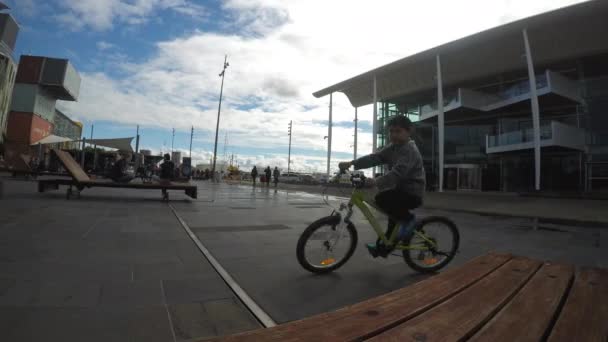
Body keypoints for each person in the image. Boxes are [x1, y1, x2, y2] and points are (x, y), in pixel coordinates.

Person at [339, 115, 425, 258]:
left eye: (398, 131)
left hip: (412, 193)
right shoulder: (394, 147)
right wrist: (352, 163)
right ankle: (383, 248)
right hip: (400, 191)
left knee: (382, 198)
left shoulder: (409, 150)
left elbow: (398, 174)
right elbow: (376, 157)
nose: (394, 135)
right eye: (391, 132)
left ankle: (410, 220)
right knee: (393, 222)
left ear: (409, 131)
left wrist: (375, 182)